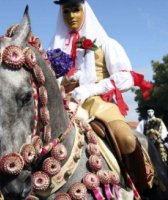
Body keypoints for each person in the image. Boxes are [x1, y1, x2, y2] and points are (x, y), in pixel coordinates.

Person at [49, 0, 153, 192]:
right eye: (66, 11)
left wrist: (91, 89)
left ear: (84, 11)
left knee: (127, 139)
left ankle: (143, 190)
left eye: (75, 10)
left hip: (98, 104)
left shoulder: (105, 43)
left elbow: (126, 77)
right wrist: (62, 83)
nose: (71, 16)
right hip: (64, 105)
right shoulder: (54, 49)